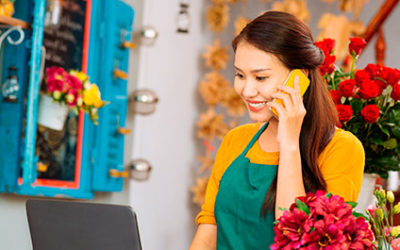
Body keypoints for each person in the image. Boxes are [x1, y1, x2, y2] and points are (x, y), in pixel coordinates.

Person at [190, 11, 365, 249]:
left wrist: (290, 142)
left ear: (299, 78)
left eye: (260, 78)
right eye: (240, 75)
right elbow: (209, 229)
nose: (247, 90)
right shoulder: (236, 140)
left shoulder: (342, 149)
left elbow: (298, 240)